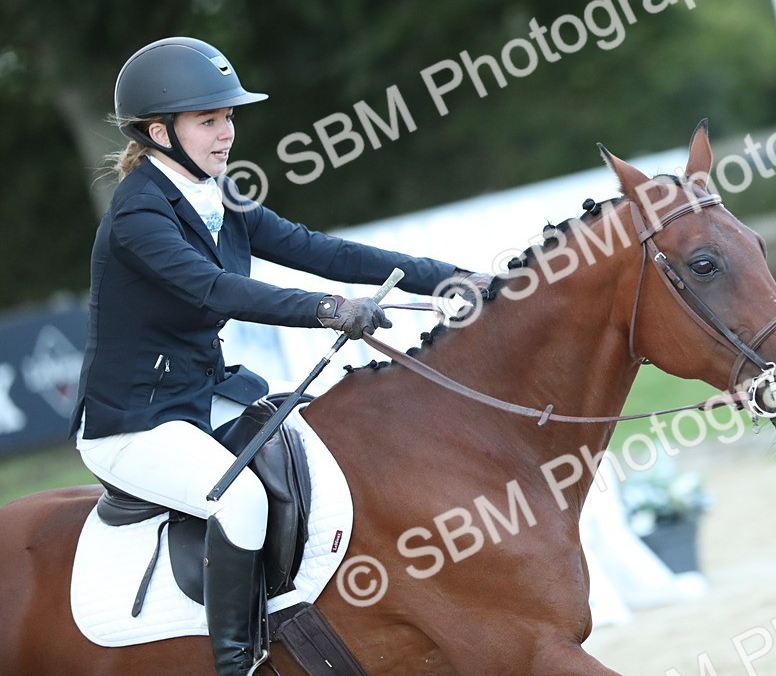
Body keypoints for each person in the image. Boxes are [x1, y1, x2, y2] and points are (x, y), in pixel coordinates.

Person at [70, 36, 489, 676]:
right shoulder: (138, 216)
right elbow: (216, 288)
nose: (226, 133)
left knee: (321, 443)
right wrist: (327, 311)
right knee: (238, 501)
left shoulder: (220, 194)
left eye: (229, 117)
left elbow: (320, 251)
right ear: (160, 132)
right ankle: (236, 662)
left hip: (202, 395)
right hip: (133, 425)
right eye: (209, 120)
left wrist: (449, 278)